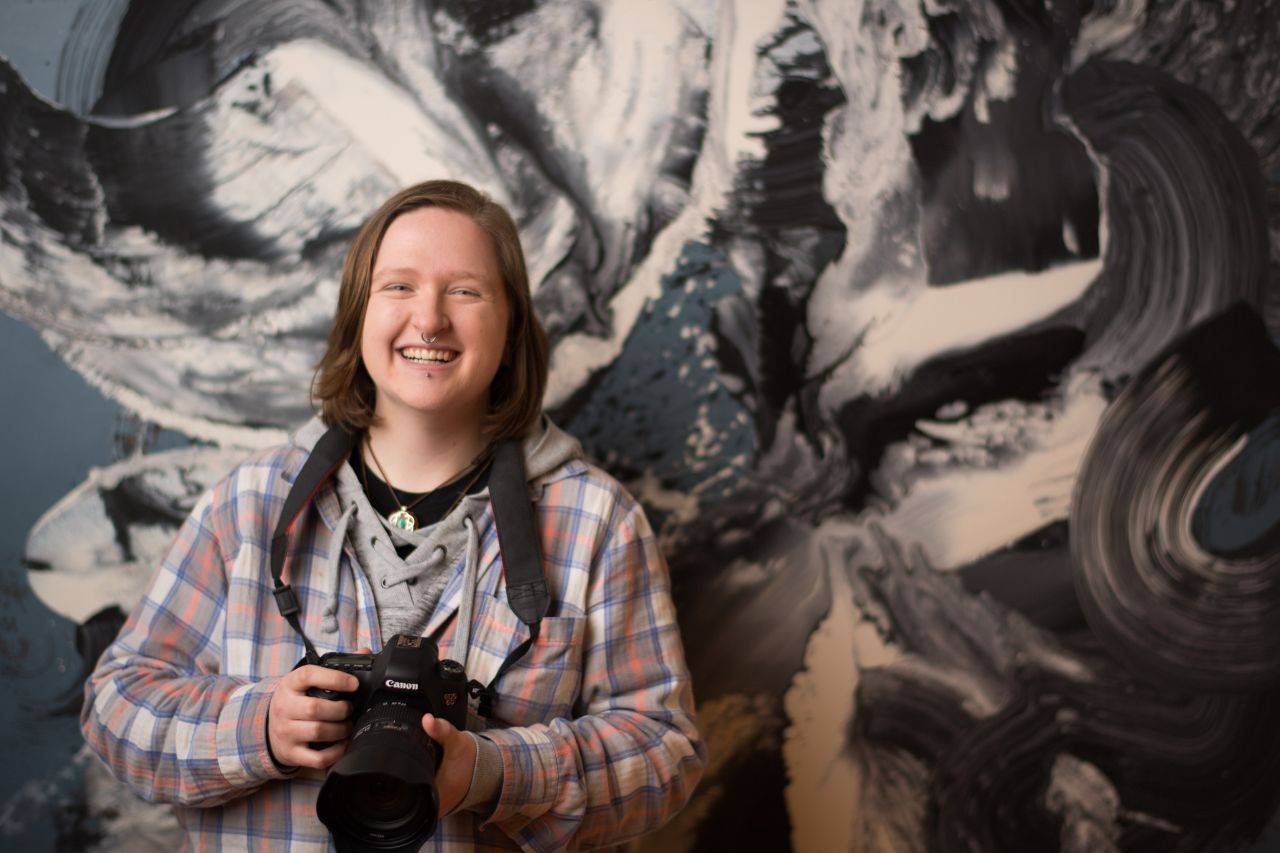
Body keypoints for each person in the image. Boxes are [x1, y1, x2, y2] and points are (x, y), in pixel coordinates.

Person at [80, 180, 706, 850]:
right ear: (359, 316)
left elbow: (664, 754)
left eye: (465, 291)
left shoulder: (595, 522)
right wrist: (258, 728)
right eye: (399, 286)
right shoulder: (250, 504)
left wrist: (494, 772)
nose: (429, 320)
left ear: (511, 328)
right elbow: (114, 707)